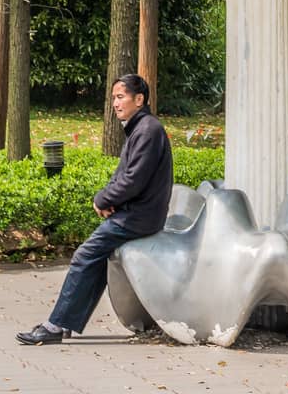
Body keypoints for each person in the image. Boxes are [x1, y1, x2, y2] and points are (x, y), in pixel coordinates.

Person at [17, 73, 173, 346]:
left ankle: (55, 326)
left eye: (121, 96)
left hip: (139, 217)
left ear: (140, 99)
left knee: (84, 255)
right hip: (134, 212)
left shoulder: (148, 130)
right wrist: (108, 198)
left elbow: (133, 180)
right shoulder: (140, 129)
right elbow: (123, 176)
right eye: (113, 97)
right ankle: (64, 323)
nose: (115, 103)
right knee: (96, 258)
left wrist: (102, 200)